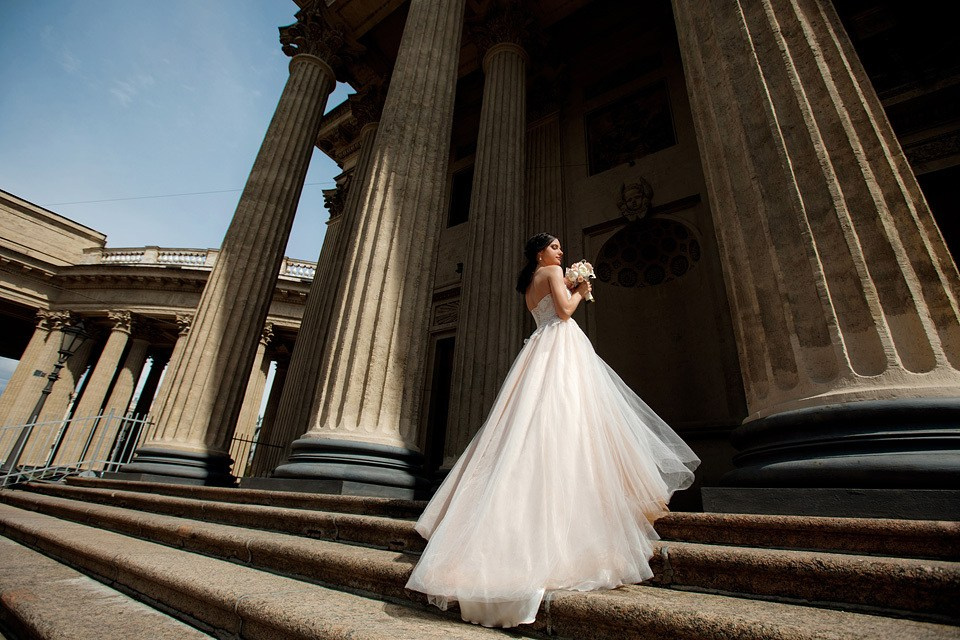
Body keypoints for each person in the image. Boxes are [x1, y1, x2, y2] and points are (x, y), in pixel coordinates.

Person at [405, 232, 700, 628]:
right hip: (559, 346)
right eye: (555, 246)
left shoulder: (529, 281)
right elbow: (563, 312)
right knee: (568, 420)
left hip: (538, 349)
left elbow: (546, 311)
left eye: (561, 248)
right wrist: (580, 289)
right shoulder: (552, 271)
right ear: (541, 252)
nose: (561, 251)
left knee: (530, 426)